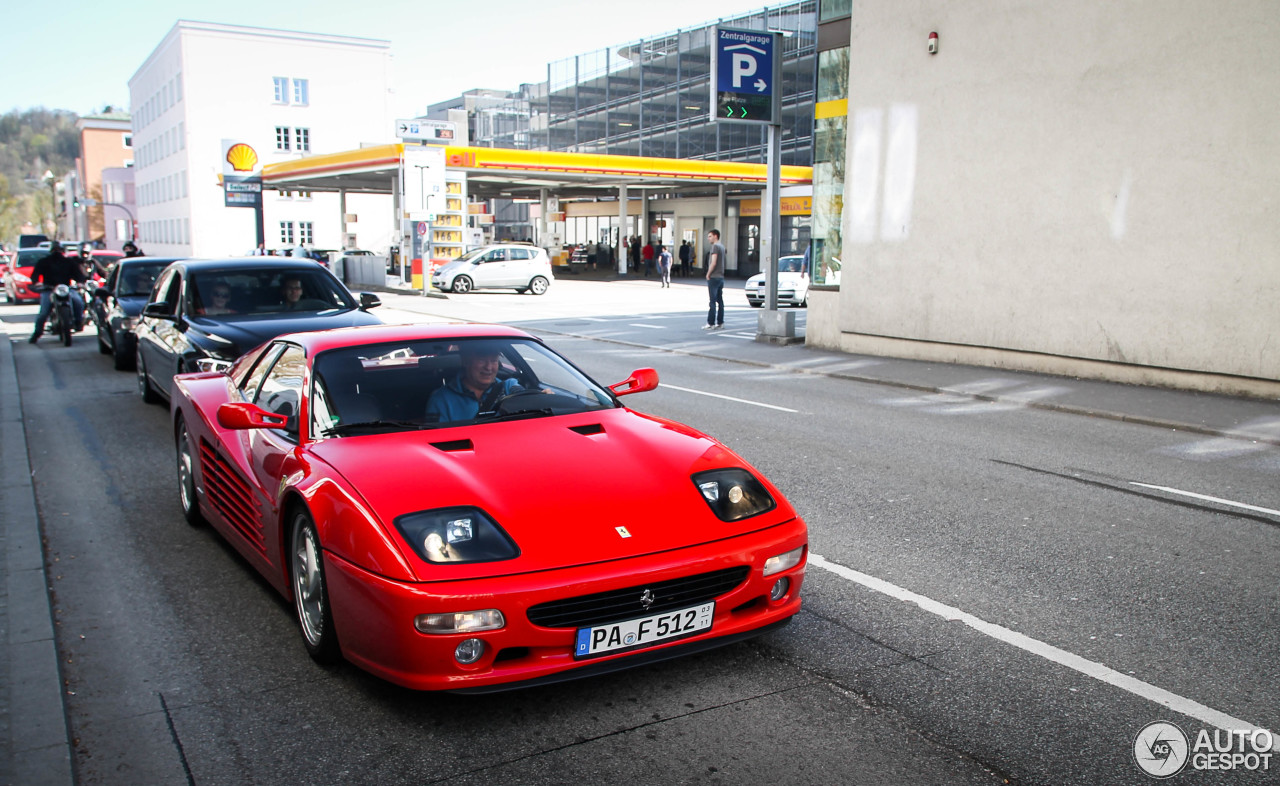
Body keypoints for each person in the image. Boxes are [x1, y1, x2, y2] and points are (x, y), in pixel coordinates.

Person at [425, 343, 524, 422]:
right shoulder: (441, 399)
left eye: (493, 361)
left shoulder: (508, 387)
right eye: (482, 360)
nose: (488, 367)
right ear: (466, 362)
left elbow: (525, 397)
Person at [28, 241, 87, 343]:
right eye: (55, 250)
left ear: (62, 251)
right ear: (51, 251)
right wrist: (37, 282)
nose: (57, 252)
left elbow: (78, 274)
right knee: (44, 311)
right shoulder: (44, 261)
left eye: (58, 250)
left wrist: (80, 282)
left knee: (78, 302)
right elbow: (35, 274)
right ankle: (37, 333)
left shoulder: (69, 262)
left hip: (66, 289)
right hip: (49, 289)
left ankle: (78, 322)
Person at [702, 229, 726, 330]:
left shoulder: (715, 247)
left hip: (714, 277)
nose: (708, 238)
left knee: (712, 301)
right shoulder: (722, 246)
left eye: (710, 236)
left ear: (715, 236)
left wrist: (708, 274)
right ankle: (720, 322)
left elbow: (714, 262)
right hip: (721, 277)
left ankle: (710, 323)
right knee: (720, 301)